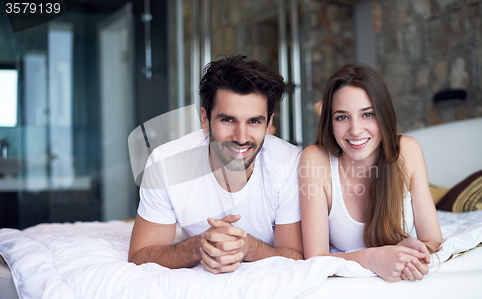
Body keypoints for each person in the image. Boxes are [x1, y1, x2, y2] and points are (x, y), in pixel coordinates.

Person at [128, 55, 303, 274]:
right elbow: (140, 255)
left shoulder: (290, 164)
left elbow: (296, 256)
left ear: (269, 124)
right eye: (228, 120)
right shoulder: (166, 163)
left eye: (254, 121)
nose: (241, 137)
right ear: (204, 119)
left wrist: (249, 248)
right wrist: (198, 246)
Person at [299, 63, 442, 282]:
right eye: (342, 117)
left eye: (367, 114)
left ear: (383, 115)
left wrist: (414, 250)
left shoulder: (407, 151)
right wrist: (374, 258)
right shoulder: (315, 159)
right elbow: (316, 258)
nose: (355, 130)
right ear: (330, 122)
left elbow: (432, 240)